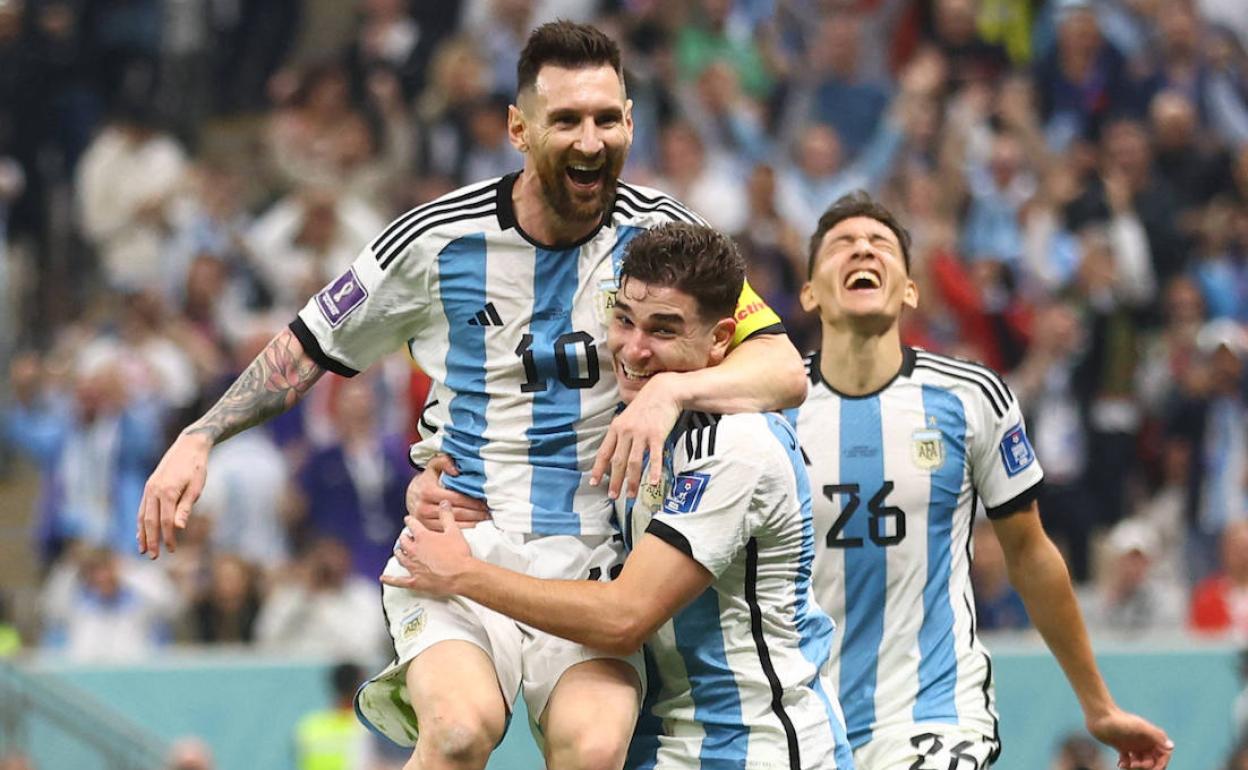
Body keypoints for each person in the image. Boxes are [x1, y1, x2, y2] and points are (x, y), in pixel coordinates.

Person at [136, 20, 805, 770]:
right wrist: (201, 435)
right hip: (461, 534)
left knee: (594, 749)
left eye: (607, 118)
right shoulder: (433, 241)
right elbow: (306, 345)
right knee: (457, 734)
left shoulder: (661, 236)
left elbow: (782, 367)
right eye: (567, 121)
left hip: (597, 556)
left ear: (629, 123)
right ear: (519, 129)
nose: (591, 140)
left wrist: (672, 391)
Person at [385, 222, 854, 770]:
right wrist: (441, 482)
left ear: (720, 339)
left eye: (663, 329)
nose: (633, 349)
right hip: (667, 745)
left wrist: (463, 574)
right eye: (624, 320)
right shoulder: (632, 424)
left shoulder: (736, 447)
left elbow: (623, 619)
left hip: (756, 749)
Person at [794, 191, 1173, 769]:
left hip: (935, 712)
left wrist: (1098, 707)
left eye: (881, 245)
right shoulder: (770, 414)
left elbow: (1030, 554)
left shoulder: (972, 398)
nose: (863, 250)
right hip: (802, 718)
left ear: (911, 290)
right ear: (809, 292)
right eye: (843, 244)